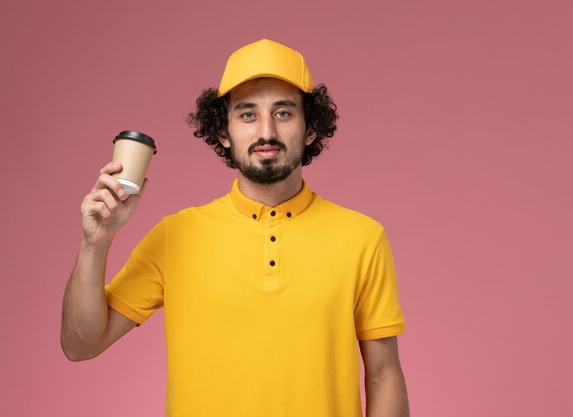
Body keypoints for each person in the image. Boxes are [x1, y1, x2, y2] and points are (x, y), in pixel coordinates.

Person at [61, 39, 409, 417]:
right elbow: (80, 345)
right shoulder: (174, 236)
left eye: (283, 112)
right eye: (247, 114)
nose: (266, 131)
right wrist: (96, 243)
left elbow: (383, 374)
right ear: (223, 133)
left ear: (311, 128)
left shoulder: (362, 238)